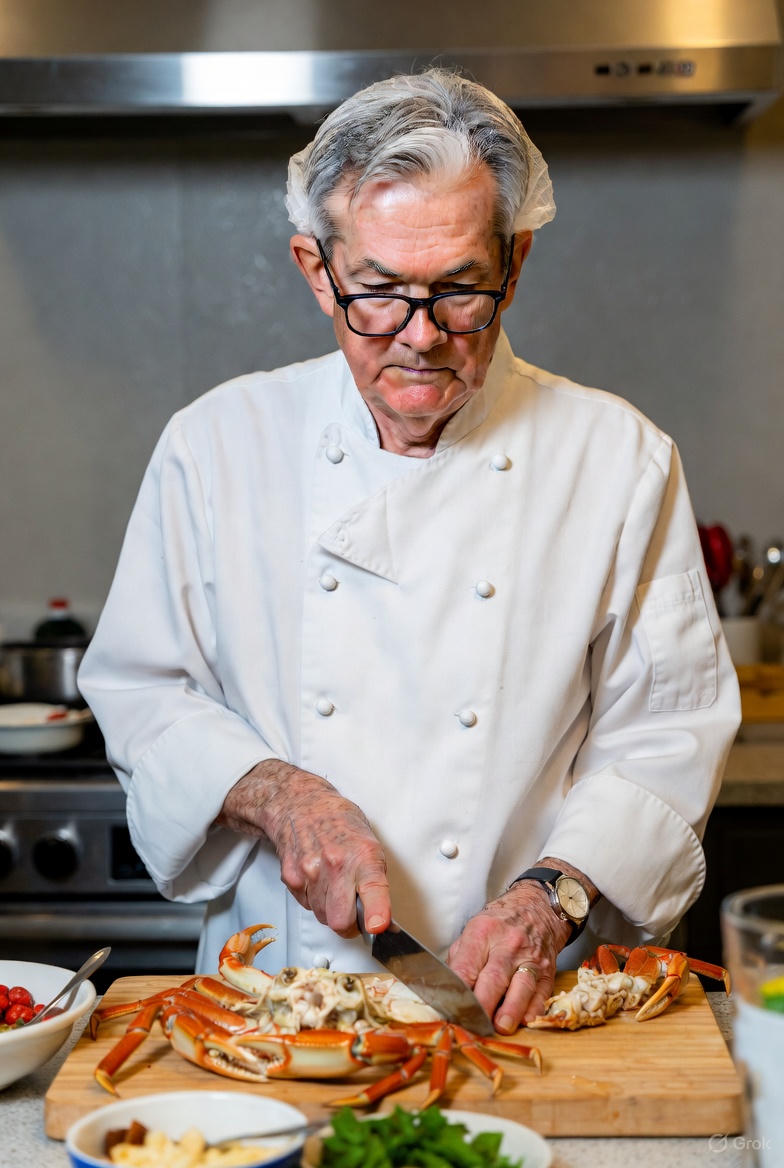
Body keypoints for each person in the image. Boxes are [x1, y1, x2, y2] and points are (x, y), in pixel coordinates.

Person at [78, 68, 740, 1035]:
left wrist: (550, 898)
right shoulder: (216, 445)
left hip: (525, 1006)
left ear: (514, 264)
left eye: (461, 291)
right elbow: (143, 692)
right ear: (317, 270)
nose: (420, 338)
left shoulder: (619, 460)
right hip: (277, 1006)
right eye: (379, 292)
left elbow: (666, 734)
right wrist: (278, 794)